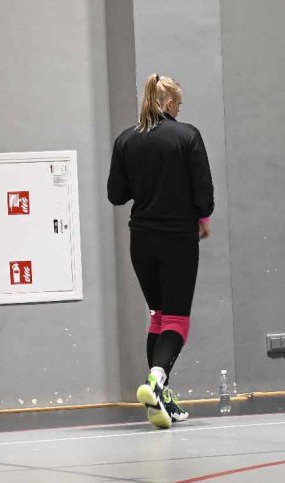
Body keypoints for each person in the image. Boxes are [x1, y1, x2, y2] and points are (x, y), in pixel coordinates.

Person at [107, 74, 214, 429]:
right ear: (169, 103)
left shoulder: (125, 140)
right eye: (179, 105)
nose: (180, 111)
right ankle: (156, 380)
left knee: (158, 314)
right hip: (177, 238)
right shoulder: (187, 136)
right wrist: (203, 219)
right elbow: (204, 192)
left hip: (141, 240)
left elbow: (116, 194)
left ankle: (161, 399)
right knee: (177, 320)